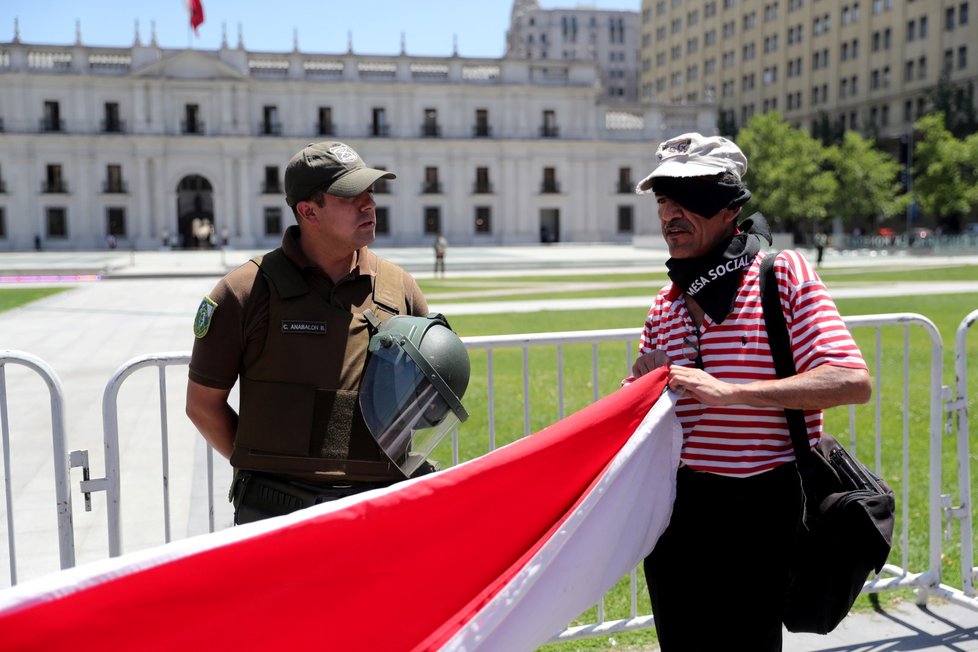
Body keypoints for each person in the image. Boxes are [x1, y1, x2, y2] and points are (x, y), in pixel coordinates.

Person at [625, 133, 872, 651]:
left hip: (760, 508)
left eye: (687, 198)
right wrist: (641, 391)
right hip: (675, 511)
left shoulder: (779, 275)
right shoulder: (665, 304)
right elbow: (650, 421)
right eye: (663, 199)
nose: (670, 213)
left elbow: (851, 380)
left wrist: (730, 392)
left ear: (728, 206)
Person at [185, 141, 433, 525]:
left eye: (370, 192)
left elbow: (426, 401)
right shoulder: (244, 292)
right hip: (279, 514)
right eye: (351, 196)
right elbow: (202, 405)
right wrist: (264, 465)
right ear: (307, 211)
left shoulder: (400, 288)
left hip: (380, 512)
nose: (369, 204)